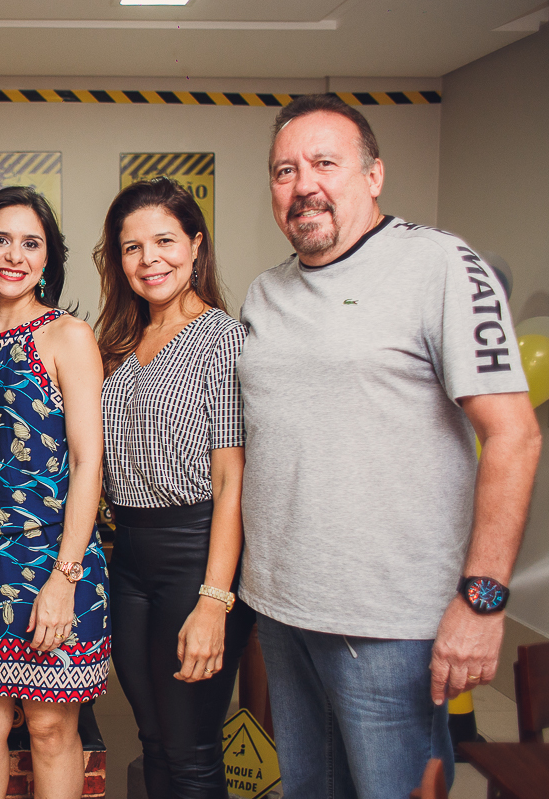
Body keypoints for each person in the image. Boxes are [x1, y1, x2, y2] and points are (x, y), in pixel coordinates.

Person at [238, 93, 542, 797]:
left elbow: (515, 436)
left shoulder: (439, 266)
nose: (303, 184)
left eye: (324, 162)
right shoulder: (264, 294)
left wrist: (483, 601)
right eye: (284, 170)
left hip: (392, 625)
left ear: (373, 174)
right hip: (283, 613)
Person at [94, 177, 256, 798]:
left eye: (164, 240)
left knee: (190, 750)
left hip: (196, 552)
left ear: (195, 245)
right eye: (132, 247)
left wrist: (215, 600)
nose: (149, 259)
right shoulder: (120, 342)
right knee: (154, 740)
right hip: (128, 554)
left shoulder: (223, 340)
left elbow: (230, 476)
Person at [0, 186, 110, 799]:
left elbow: (87, 461)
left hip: (52, 559)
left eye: (30, 243)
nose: (14, 255)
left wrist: (65, 579)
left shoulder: (68, 336)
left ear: (48, 258)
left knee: (47, 727)